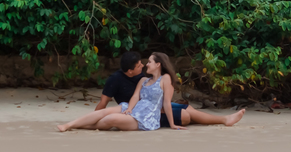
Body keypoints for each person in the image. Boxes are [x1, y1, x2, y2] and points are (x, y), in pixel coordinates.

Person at [58, 53, 245, 132]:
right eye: (141, 64)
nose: (144, 64)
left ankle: (225, 119)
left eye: (147, 62)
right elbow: (134, 97)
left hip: (149, 114)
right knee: (103, 113)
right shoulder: (141, 80)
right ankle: (69, 125)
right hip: (135, 108)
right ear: (130, 70)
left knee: (108, 120)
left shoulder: (165, 80)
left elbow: (165, 103)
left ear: (158, 64)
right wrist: (129, 109)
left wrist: (172, 125)